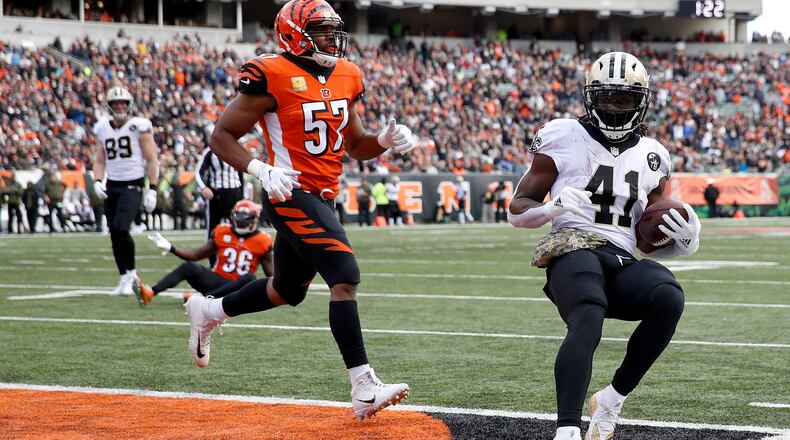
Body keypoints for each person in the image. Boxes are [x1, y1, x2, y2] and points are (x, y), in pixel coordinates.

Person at [189, 0, 415, 420]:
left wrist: (385, 141)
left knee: (286, 290)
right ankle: (363, 386)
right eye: (322, 29)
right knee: (344, 276)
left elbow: (356, 144)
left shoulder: (348, 74)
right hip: (289, 192)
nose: (332, 37)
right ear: (295, 34)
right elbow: (221, 136)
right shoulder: (271, 73)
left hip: (324, 195)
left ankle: (209, 311)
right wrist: (260, 168)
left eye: (333, 28)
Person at [507, 52, 701, 440]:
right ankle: (567, 430)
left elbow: (647, 237)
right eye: (606, 98)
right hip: (573, 247)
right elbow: (516, 210)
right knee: (588, 316)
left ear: (642, 101)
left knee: (669, 297)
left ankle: (611, 400)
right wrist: (550, 208)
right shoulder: (562, 134)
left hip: (622, 257)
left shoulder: (654, 155)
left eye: (624, 99)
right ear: (589, 97)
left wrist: (683, 242)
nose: (614, 107)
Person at [134, 200, 273, 306]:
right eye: (239, 218)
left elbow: (271, 275)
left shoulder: (263, 240)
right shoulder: (222, 232)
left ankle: (202, 300)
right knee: (189, 267)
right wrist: (171, 248)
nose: (241, 222)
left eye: (245, 219)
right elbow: (195, 255)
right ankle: (150, 292)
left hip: (238, 289)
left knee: (250, 278)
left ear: (254, 219)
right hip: (216, 281)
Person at [92, 86, 160, 296]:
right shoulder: (102, 128)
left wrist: (153, 188)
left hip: (133, 185)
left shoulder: (139, 126)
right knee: (114, 232)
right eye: (116, 103)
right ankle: (123, 278)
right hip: (112, 185)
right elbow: (99, 159)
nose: (120, 106)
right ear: (110, 106)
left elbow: (152, 159)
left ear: (129, 105)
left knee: (121, 227)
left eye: (123, 103)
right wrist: (97, 181)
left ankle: (132, 275)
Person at [195, 145, 244, 264]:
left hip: (235, 193)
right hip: (216, 194)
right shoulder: (210, 151)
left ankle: (238, 261)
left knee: (239, 228)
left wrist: (242, 196)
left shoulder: (236, 148)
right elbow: (198, 172)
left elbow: (241, 173)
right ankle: (212, 264)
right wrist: (204, 188)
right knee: (212, 229)